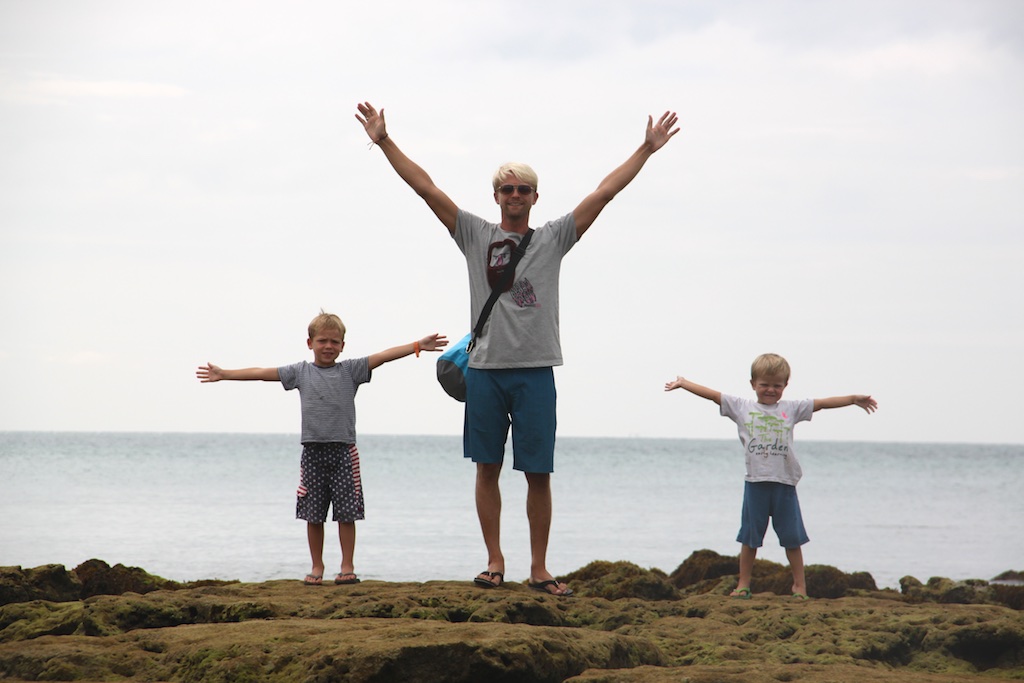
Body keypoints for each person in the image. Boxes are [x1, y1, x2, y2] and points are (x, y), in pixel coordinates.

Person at [355, 101, 679, 596]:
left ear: (534, 197)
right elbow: (425, 188)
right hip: (485, 369)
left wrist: (646, 149)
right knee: (487, 468)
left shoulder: (553, 238)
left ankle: (540, 568)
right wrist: (383, 141)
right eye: (507, 189)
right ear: (496, 196)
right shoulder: (473, 234)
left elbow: (604, 193)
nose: (514, 195)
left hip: (535, 372)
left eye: (522, 189)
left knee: (537, 474)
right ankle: (494, 561)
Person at [196, 310, 447, 586]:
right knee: (313, 515)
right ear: (310, 343)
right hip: (312, 454)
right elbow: (262, 374)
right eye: (322, 341)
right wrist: (224, 374)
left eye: (334, 342)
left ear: (342, 346)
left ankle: (347, 566)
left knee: (347, 513)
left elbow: (383, 356)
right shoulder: (300, 372)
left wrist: (416, 346)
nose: (328, 346)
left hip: (344, 452)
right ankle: (317, 567)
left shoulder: (351, 371)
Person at [664, 353, 877, 600]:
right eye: (764, 384)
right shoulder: (742, 407)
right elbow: (713, 395)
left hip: (784, 484)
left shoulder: (791, 408)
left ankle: (799, 586)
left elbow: (822, 404)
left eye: (777, 385)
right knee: (749, 538)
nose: (770, 390)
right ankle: (743, 584)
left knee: (792, 539)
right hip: (755, 484)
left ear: (785, 386)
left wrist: (852, 399)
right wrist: (684, 382)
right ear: (753, 383)